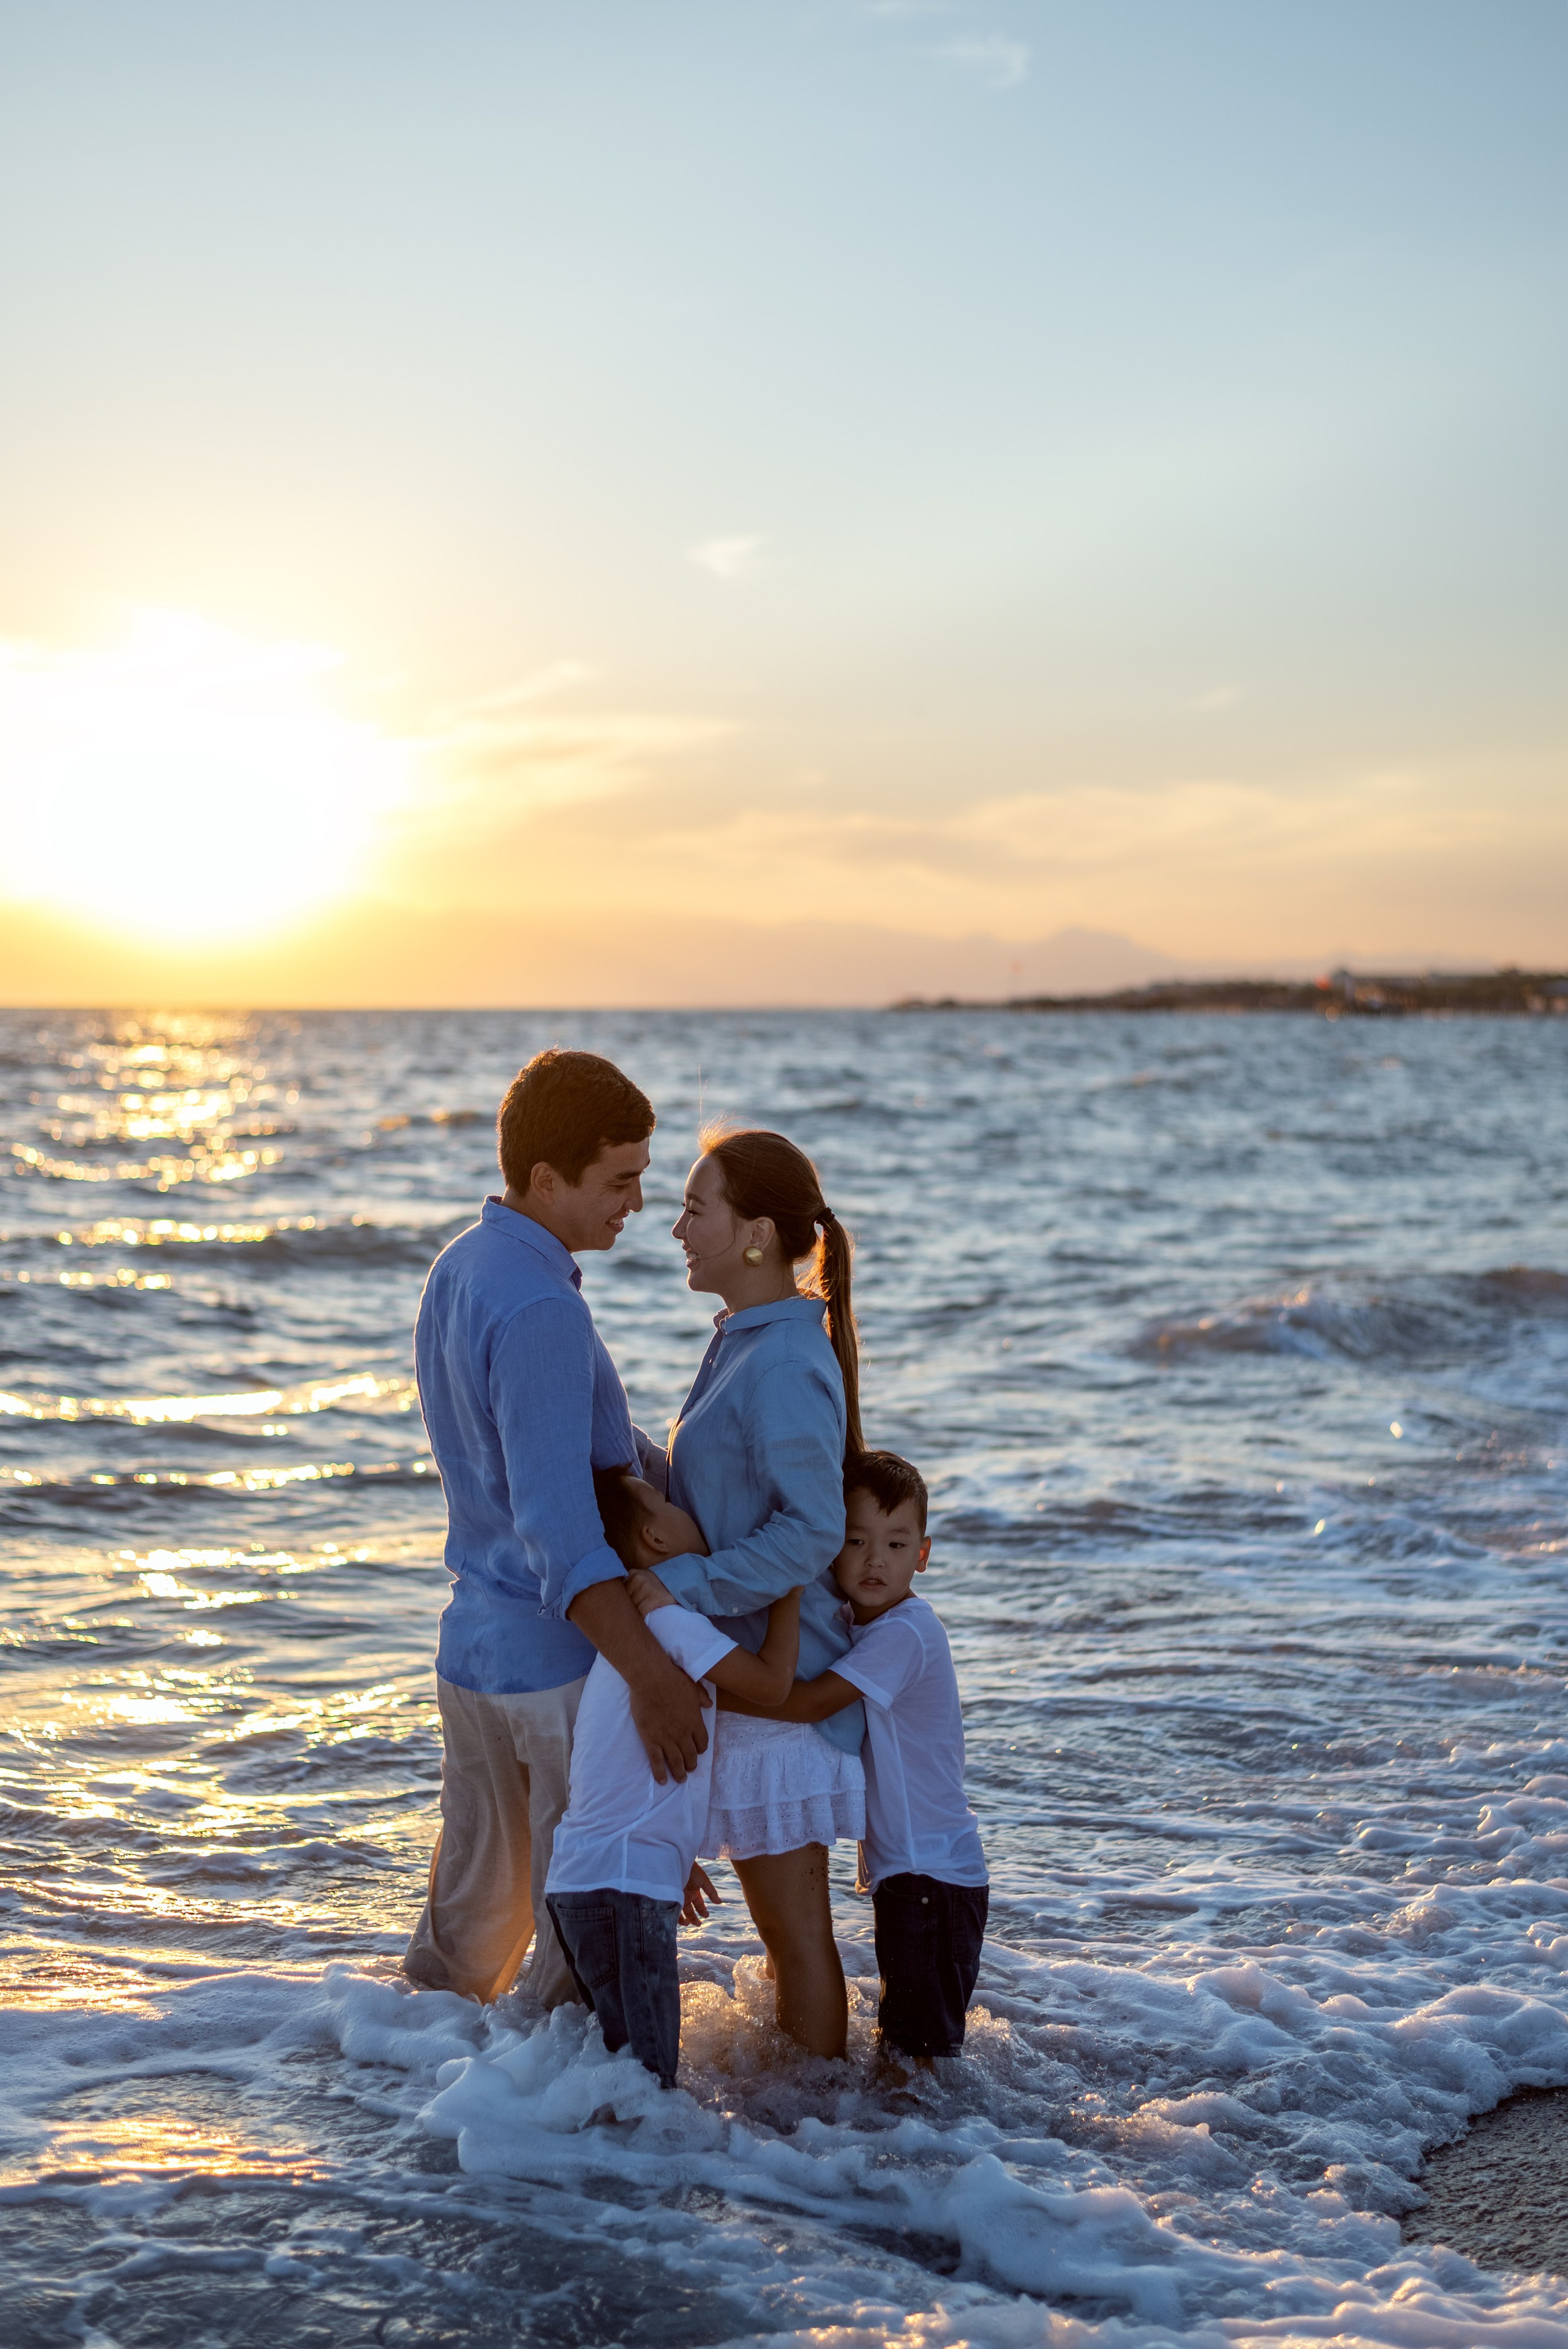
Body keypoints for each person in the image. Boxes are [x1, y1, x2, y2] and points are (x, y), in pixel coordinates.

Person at [403, 1049, 710, 2008]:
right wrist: (654, 1677)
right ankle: (546, 2120)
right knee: (583, 1980)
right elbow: (559, 1529)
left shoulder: (461, 1265)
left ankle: (386, 2087)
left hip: (473, 1656)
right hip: (556, 1673)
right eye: (619, 1181)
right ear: (547, 1178)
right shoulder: (541, 1305)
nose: (638, 1203)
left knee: (457, 1960)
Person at [626, 1126, 867, 2059]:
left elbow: (810, 1529)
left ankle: (827, 2124)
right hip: (739, 1667)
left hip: (779, 1684)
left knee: (796, 1936)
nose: (677, 1227)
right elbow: (723, 1496)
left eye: (697, 1208)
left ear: (757, 1232)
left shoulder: (785, 1359)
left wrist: (676, 1584)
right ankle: (806, 2111)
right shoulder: (744, 1338)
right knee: (781, 1933)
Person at [722, 1451, 989, 2064]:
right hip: (918, 1875)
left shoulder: (904, 1633)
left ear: (922, 1555)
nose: (875, 1560)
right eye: (856, 1540)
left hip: (933, 1879)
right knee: (906, 2053)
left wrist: (707, 1692)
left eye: (896, 1544)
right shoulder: (867, 1625)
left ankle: (920, 2130)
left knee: (914, 2064)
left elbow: (812, 1702)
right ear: (831, 1549)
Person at [544, 1465, 801, 2088]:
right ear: (655, 1537)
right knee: (650, 2081)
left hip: (581, 1882)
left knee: (616, 2072)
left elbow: (616, 1771)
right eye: (666, 1501)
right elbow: (772, 1685)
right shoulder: (672, 1622)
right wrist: (791, 1583)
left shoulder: (630, 1642)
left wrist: (675, 1858)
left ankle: (568, 2147)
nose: (683, 1505)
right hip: (624, 1888)